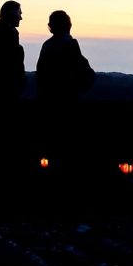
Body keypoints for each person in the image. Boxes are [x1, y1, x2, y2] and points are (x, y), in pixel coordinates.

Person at [35, 10, 95, 177]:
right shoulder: (70, 44)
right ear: (68, 25)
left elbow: (41, 75)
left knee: (53, 148)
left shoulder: (47, 46)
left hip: (49, 103)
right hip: (67, 102)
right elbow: (81, 73)